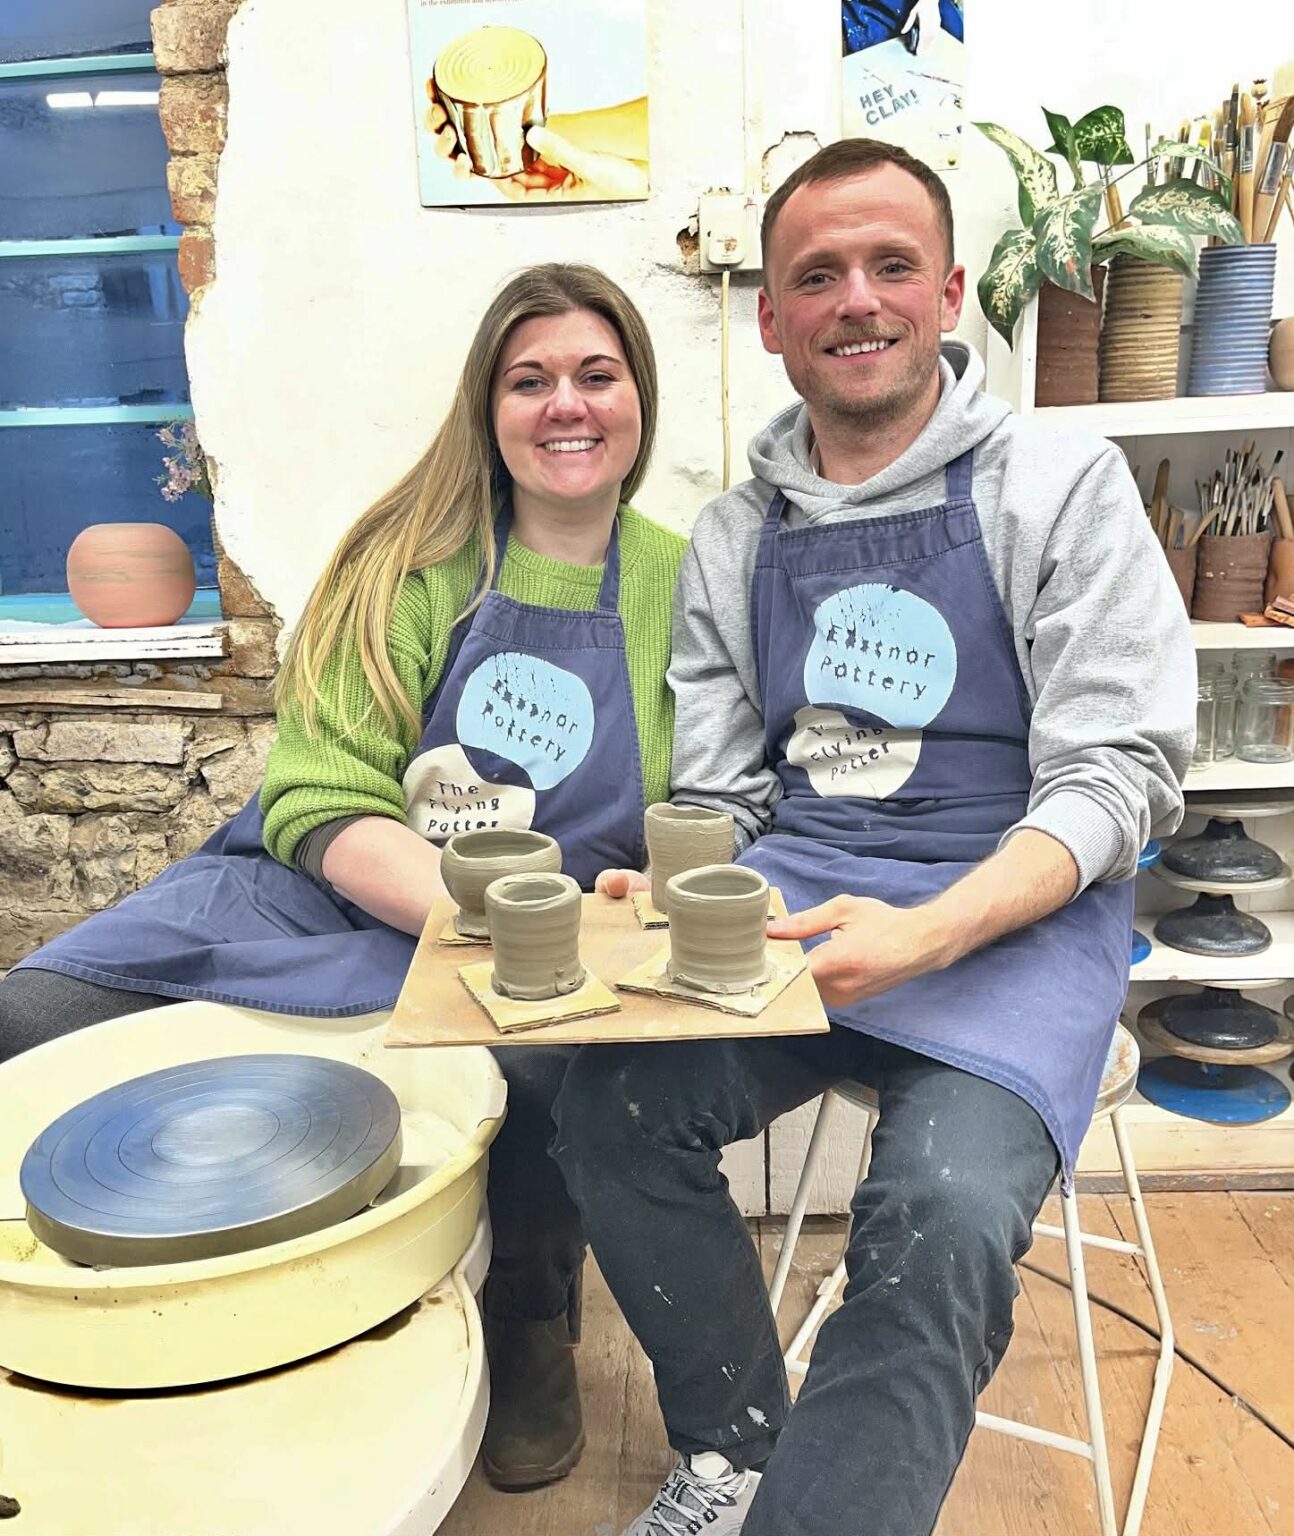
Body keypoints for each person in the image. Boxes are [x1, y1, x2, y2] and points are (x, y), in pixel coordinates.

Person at [559, 139, 1195, 1536]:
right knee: (603, 1108)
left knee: (940, 1219)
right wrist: (673, 881)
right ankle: (732, 1449)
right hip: (806, 915)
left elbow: (1118, 774)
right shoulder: (736, 535)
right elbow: (733, 797)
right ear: (772, 318)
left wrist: (928, 931)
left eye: (888, 264)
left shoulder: (1056, 483)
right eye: (816, 276)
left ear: (950, 291)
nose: (856, 299)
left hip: (1013, 921)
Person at [0, 262, 686, 1494]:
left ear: (640, 398)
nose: (565, 406)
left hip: (544, 935)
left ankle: (533, 1328)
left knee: (551, 1078)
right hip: (313, 897)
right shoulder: (407, 557)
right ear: (487, 406)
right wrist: (482, 912)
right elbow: (319, 802)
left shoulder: (680, 585)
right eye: (529, 380)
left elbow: (699, 805)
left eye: (597, 374)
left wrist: (613, 915)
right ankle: (89, 1324)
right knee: (24, 1021)